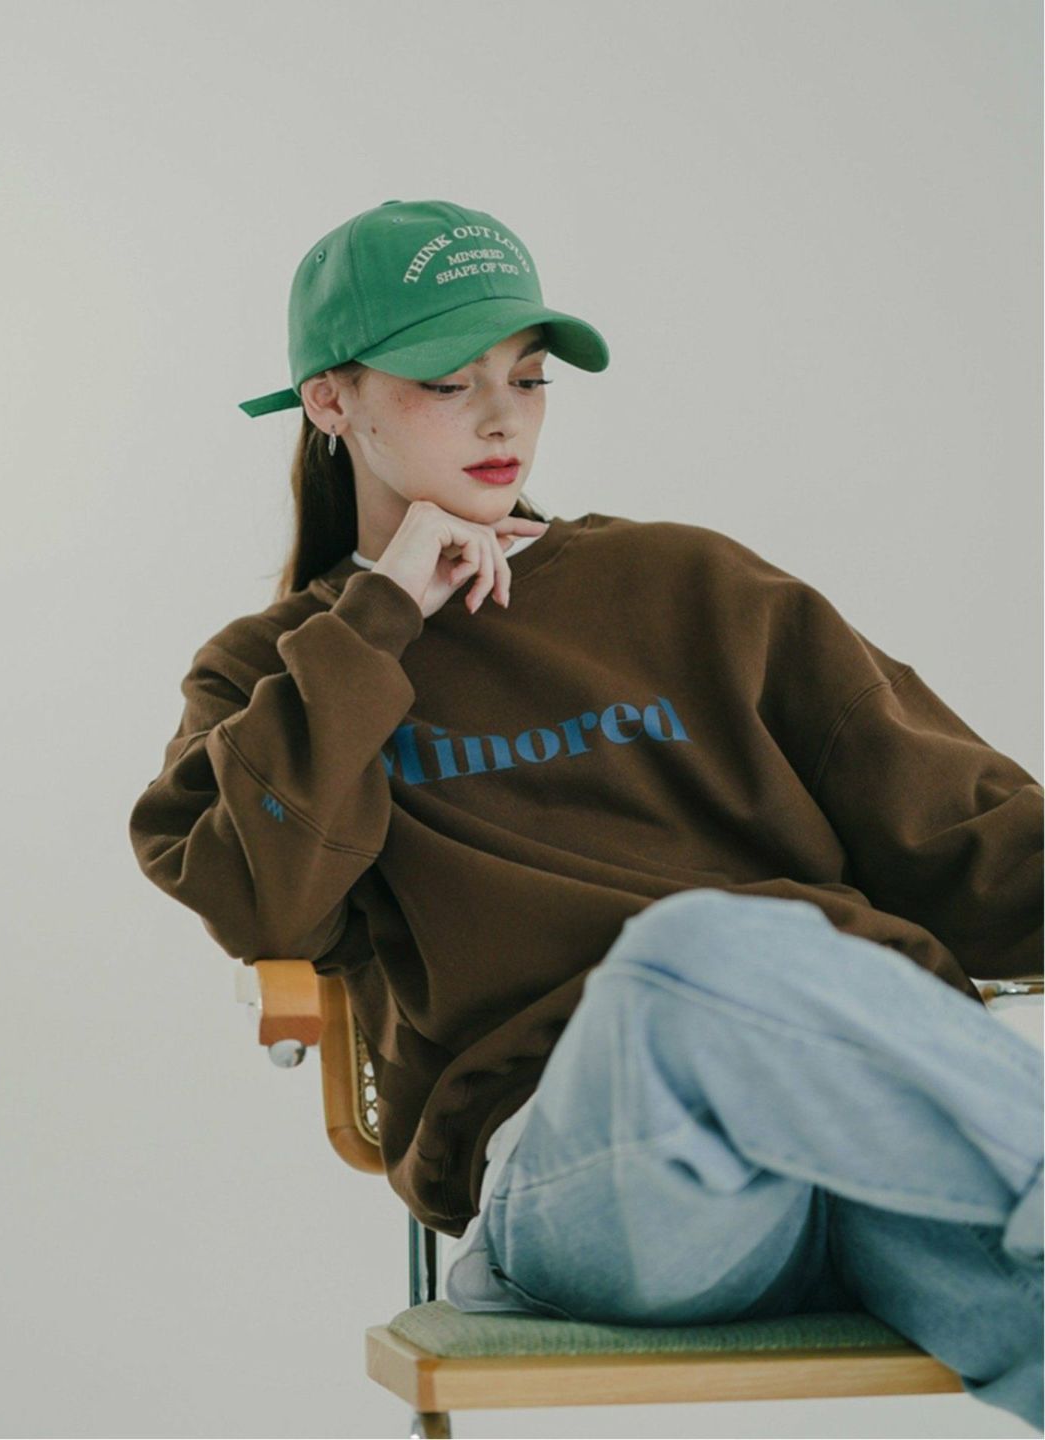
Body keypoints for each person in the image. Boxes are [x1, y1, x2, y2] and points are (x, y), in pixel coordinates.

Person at [127, 198, 1044, 1431]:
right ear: (330, 402)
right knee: (699, 949)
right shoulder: (272, 673)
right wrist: (377, 619)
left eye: (528, 376)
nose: (503, 418)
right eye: (448, 382)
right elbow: (261, 904)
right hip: (604, 1183)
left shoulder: (695, 586)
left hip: (867, 1147)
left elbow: (972, 837)